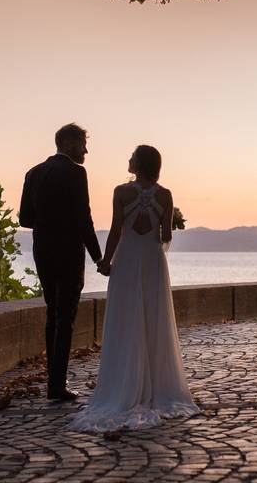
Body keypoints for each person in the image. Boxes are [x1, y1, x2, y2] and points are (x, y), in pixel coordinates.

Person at [66, 144, 199, 432]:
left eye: (132, 157)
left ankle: (123, 385)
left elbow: (116, 229)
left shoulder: (120, 192)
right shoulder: (165, 195)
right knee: (154, 317)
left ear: (139, 164)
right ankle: (157, 386)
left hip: (126, 261)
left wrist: (104, 261)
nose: (128, 159)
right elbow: (165, 236)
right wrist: (170, 220)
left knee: (125, 319)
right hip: (152, 261)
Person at [19, 123, 102, 401]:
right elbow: (83, 218)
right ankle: (56, 385)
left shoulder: (33, 173)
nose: (85, 151)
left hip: (42, 250)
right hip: (68, 252)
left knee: (51, 312)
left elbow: (24, 219)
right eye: (82, 145)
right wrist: (98, 256)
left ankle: (54, 382)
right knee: (65, 317)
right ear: (68, 143)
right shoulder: (77, 173)